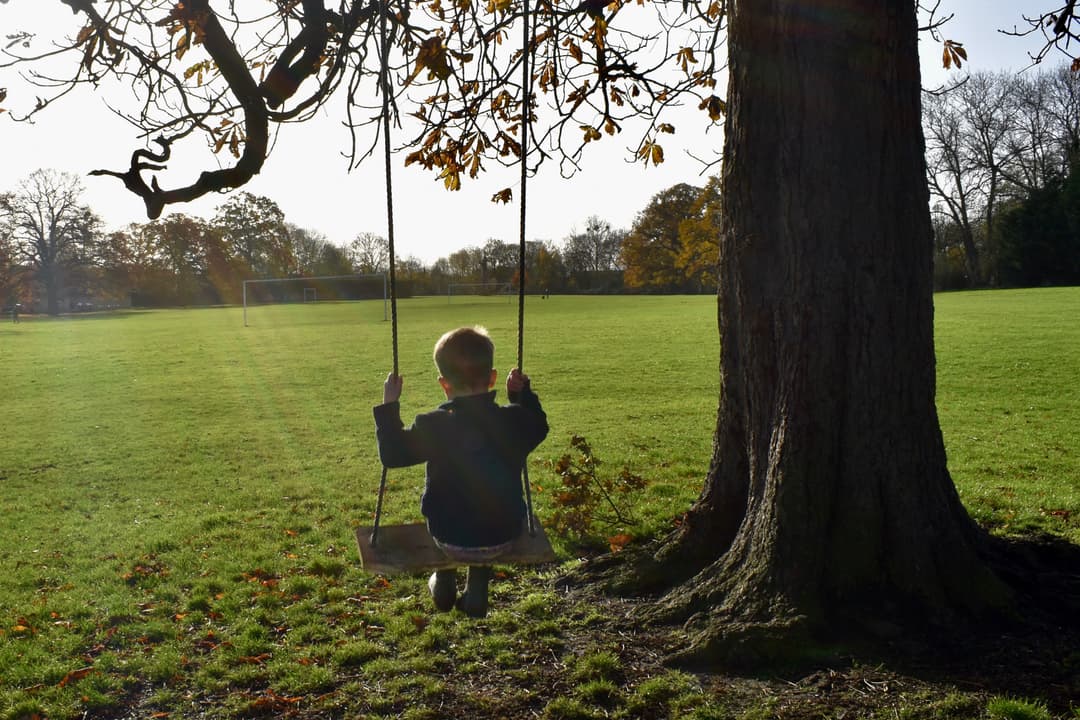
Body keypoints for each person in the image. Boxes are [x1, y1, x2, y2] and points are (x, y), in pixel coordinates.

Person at [373, 326, 548, 617]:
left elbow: (392, 454)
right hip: (503, 534)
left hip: (448, 535)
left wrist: (389, 406)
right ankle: (477, 587)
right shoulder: (513, 420)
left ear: (444, 384)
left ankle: (444, 581)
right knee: (486, 513)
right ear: (492, 377)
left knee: (455, 515)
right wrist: (521, 394)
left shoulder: (434, 425)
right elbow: (538, 425)